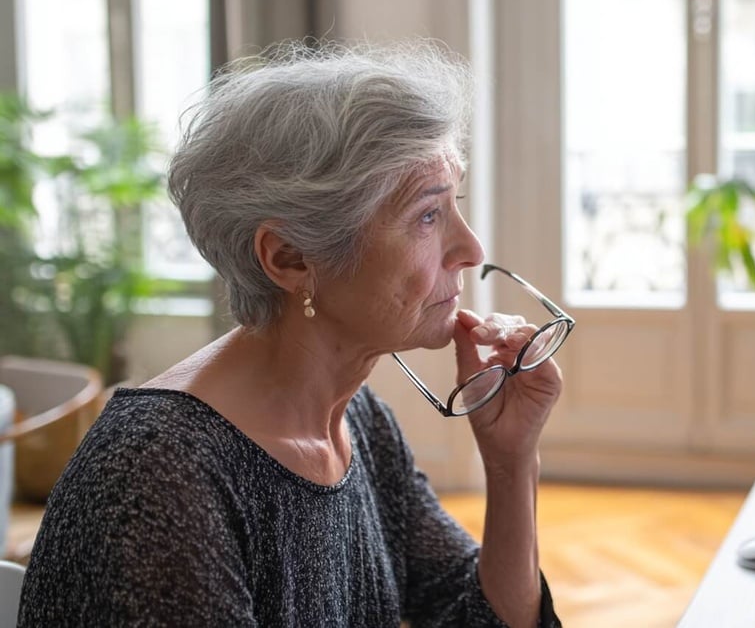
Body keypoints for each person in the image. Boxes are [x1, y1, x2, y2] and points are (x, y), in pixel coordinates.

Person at [18, 41, 565, 627]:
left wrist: (511, 464)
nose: (472, 248)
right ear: (290, 257)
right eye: (427, 216)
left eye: (452, 206)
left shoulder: (359, 422)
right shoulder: (158, 471)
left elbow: (478, 617)